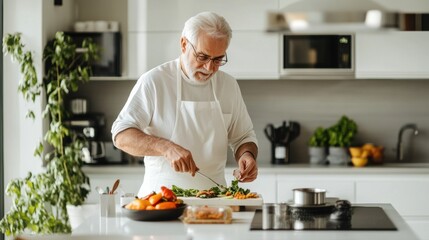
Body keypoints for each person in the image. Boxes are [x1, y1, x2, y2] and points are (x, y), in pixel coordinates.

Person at [111, 12, 258, 197]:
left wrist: (247, 155)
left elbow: (243, 137)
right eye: (203, 57)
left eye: (218, 59)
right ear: (183, 44)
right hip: (160, 202)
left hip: (216, 201)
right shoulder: (155, 82)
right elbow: (120, 135)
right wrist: (165, 148)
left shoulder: (228, 86)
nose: (209, 68)